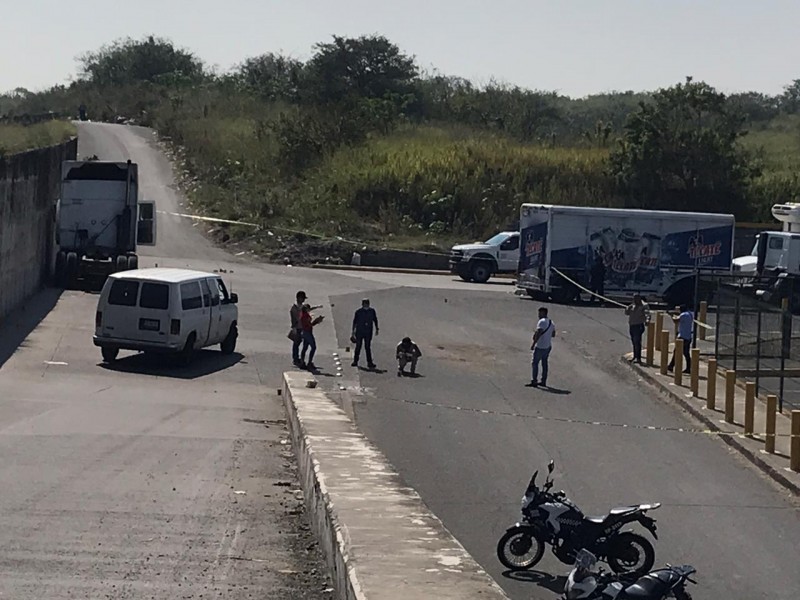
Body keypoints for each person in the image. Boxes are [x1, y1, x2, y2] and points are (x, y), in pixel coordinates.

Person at [529, 307, 556, 388]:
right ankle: (543, 381)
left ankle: (534, 381)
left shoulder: (541, 322)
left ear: (543, 313)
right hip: (548, 346)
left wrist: (533, 344)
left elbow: (538, 333)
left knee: (535, 363)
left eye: (540, 313)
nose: (538, 315)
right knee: (544, 363)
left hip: (541, 346)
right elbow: (553, 334)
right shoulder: (551, 322)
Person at [351, 298, 379, 369]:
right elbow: (355, 322)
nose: (366, 305)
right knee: (358, 347)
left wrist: (377, 328)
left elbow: (375, 319)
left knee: (367, 347)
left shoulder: (372, 311)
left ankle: (369, 362)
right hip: (359, 332)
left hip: (368, 332)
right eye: (365, 304)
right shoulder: (358, 312)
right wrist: (353, 332)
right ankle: (355, 361)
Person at [625, 293, 650, 364]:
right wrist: (628, 308)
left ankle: (638, 358)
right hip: (632, 325)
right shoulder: (632, 305)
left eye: (636, 298)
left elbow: (647, 314)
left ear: (639, 298)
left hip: (638, 325)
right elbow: (627, 313)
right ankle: (635, 356)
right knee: (633, 341)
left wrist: (647, 320)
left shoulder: (644, 305)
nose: (635, 300)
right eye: (634, 298)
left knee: (637, 341)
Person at [668, 304, 693, 374]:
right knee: (686, 353)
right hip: (688, 336)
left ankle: (671, 366)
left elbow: (675, 321)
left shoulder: (683, 315)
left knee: (676, 352)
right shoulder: (689, 314)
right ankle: (688, 368)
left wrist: (671, 316)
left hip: (682, 337)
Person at [299, 304, 324, 370]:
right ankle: (309, 362)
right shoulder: (305, 316)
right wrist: (317, 321)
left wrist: (317, 307)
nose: (309, 310)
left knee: (305, 347)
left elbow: (311, 309)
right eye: (308, 309)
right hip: (307, 332)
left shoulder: (303, 314)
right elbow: (310, 325)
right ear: (305, 309)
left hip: (305, 332)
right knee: (313, 347)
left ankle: (302, 362)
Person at [289, 291, 307, 367]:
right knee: (296, 343)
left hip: (302, 327)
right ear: (299, 298)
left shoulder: (302, 306)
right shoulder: (294, 308)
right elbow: (293, 319)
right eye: (303, 298)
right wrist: (294, 328)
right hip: (297, 327)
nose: (304, 300)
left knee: (299, 342)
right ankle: (295, 358)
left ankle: (298, 358)